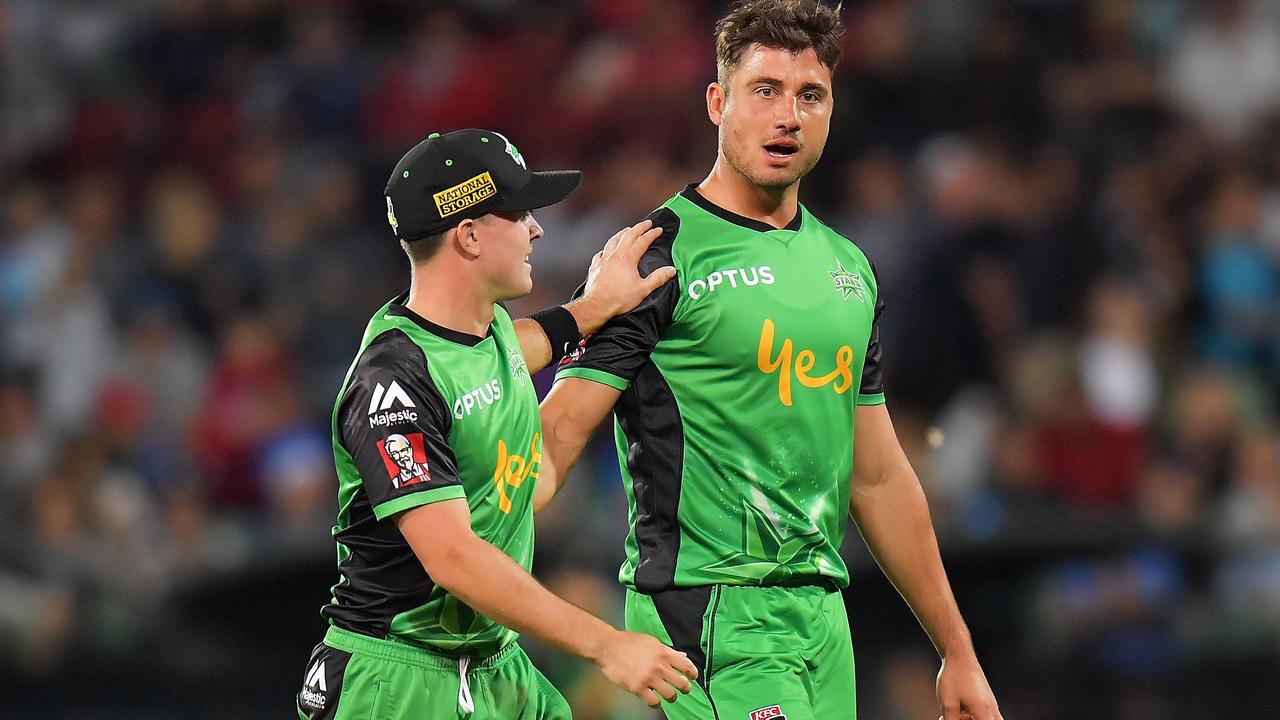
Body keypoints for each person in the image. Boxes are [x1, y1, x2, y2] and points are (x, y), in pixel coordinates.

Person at [538, 2, 1003, 720]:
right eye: (765, 91)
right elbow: (557, 437)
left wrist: (957, 648)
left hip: (822, 622)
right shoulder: (654, 257)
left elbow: (877, 475)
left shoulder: (849, 268)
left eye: (808, 95)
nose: (788, 115)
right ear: (718, 103)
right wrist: (457, 559)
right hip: (708, 614)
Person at [296, 129, 698, 720]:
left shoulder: (486, 335)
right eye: (519, 212)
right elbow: (453, 556)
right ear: (468, 234)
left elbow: (522, 345)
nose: (537, 228)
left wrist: (595, 308)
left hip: (493, 665)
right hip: (397, 679)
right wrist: (606, 644)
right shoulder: (393, 381)